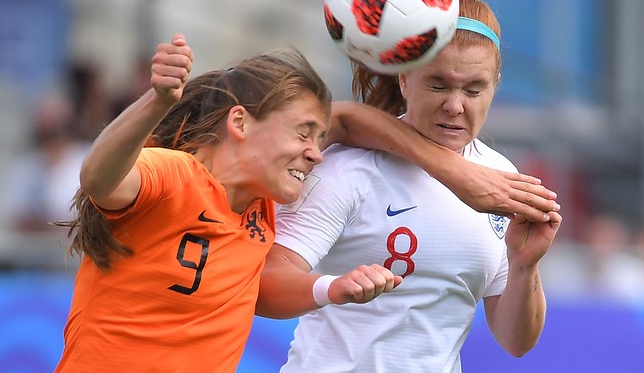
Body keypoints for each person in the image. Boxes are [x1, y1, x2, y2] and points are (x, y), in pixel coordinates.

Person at [54, 33, 559, 372]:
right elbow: (99, 177)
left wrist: (331, 288)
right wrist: (154, 102)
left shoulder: (262, 212)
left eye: (319, 138)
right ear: (240, 123)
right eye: (304, 134)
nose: (317, 153)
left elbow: (348, 123)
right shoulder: (175, 176)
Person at [256, 0, 563, 372]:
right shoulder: (350, 169)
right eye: (438, 85)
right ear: (404, 78)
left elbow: (516, 341)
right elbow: (263, 285)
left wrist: (525, 265)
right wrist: (332, 288)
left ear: (495, 85)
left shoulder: (500, 179)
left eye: (474, 89)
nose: (456, 105)